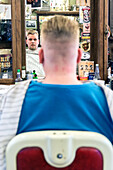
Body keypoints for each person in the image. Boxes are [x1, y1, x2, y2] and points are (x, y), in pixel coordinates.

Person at [0, 15, 113, 170]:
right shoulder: (108, 100)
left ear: (40, 56)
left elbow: (3, 162)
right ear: (79, 56)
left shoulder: (13, 98)